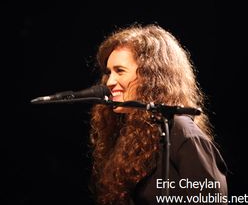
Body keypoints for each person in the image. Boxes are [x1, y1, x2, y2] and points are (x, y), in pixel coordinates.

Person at [88, 23, 228, 205]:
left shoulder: (181, 132)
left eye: (120, 71)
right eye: (109, 72)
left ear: (150, 76)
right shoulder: (128, 135)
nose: (110, 81)